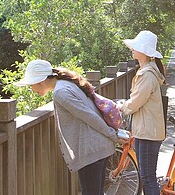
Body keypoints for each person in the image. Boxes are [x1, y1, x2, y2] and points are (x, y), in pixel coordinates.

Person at [14, 59, 126, 195]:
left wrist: (113, 135)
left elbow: (89, 116)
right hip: (98, 147)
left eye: (31, 85)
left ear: (40, 80)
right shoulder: (66, 84)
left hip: (91, 150)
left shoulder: (61, 93)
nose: (32, 89)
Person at [118, 30, 166, 195]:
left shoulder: (147, 75)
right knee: (147, 176)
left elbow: (136, 102)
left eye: (135, 47)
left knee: (147, 178)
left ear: (144, 52)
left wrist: (121, 107)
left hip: (147, 134)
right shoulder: (147, 71)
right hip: (147, 131)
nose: (132, 49)